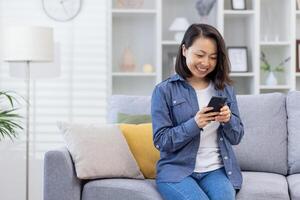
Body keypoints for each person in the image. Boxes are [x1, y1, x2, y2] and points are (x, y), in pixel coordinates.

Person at [151, 23, 244, 200]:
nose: (205, 63)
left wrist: (228, 119)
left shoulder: (224, 89)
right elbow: (161, 141)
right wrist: (194, 124)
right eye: (200, 55)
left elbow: (237, 137)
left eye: (213, 57)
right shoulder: (164, 90)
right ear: (184, 50)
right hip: (176, 172)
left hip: (216, 170)